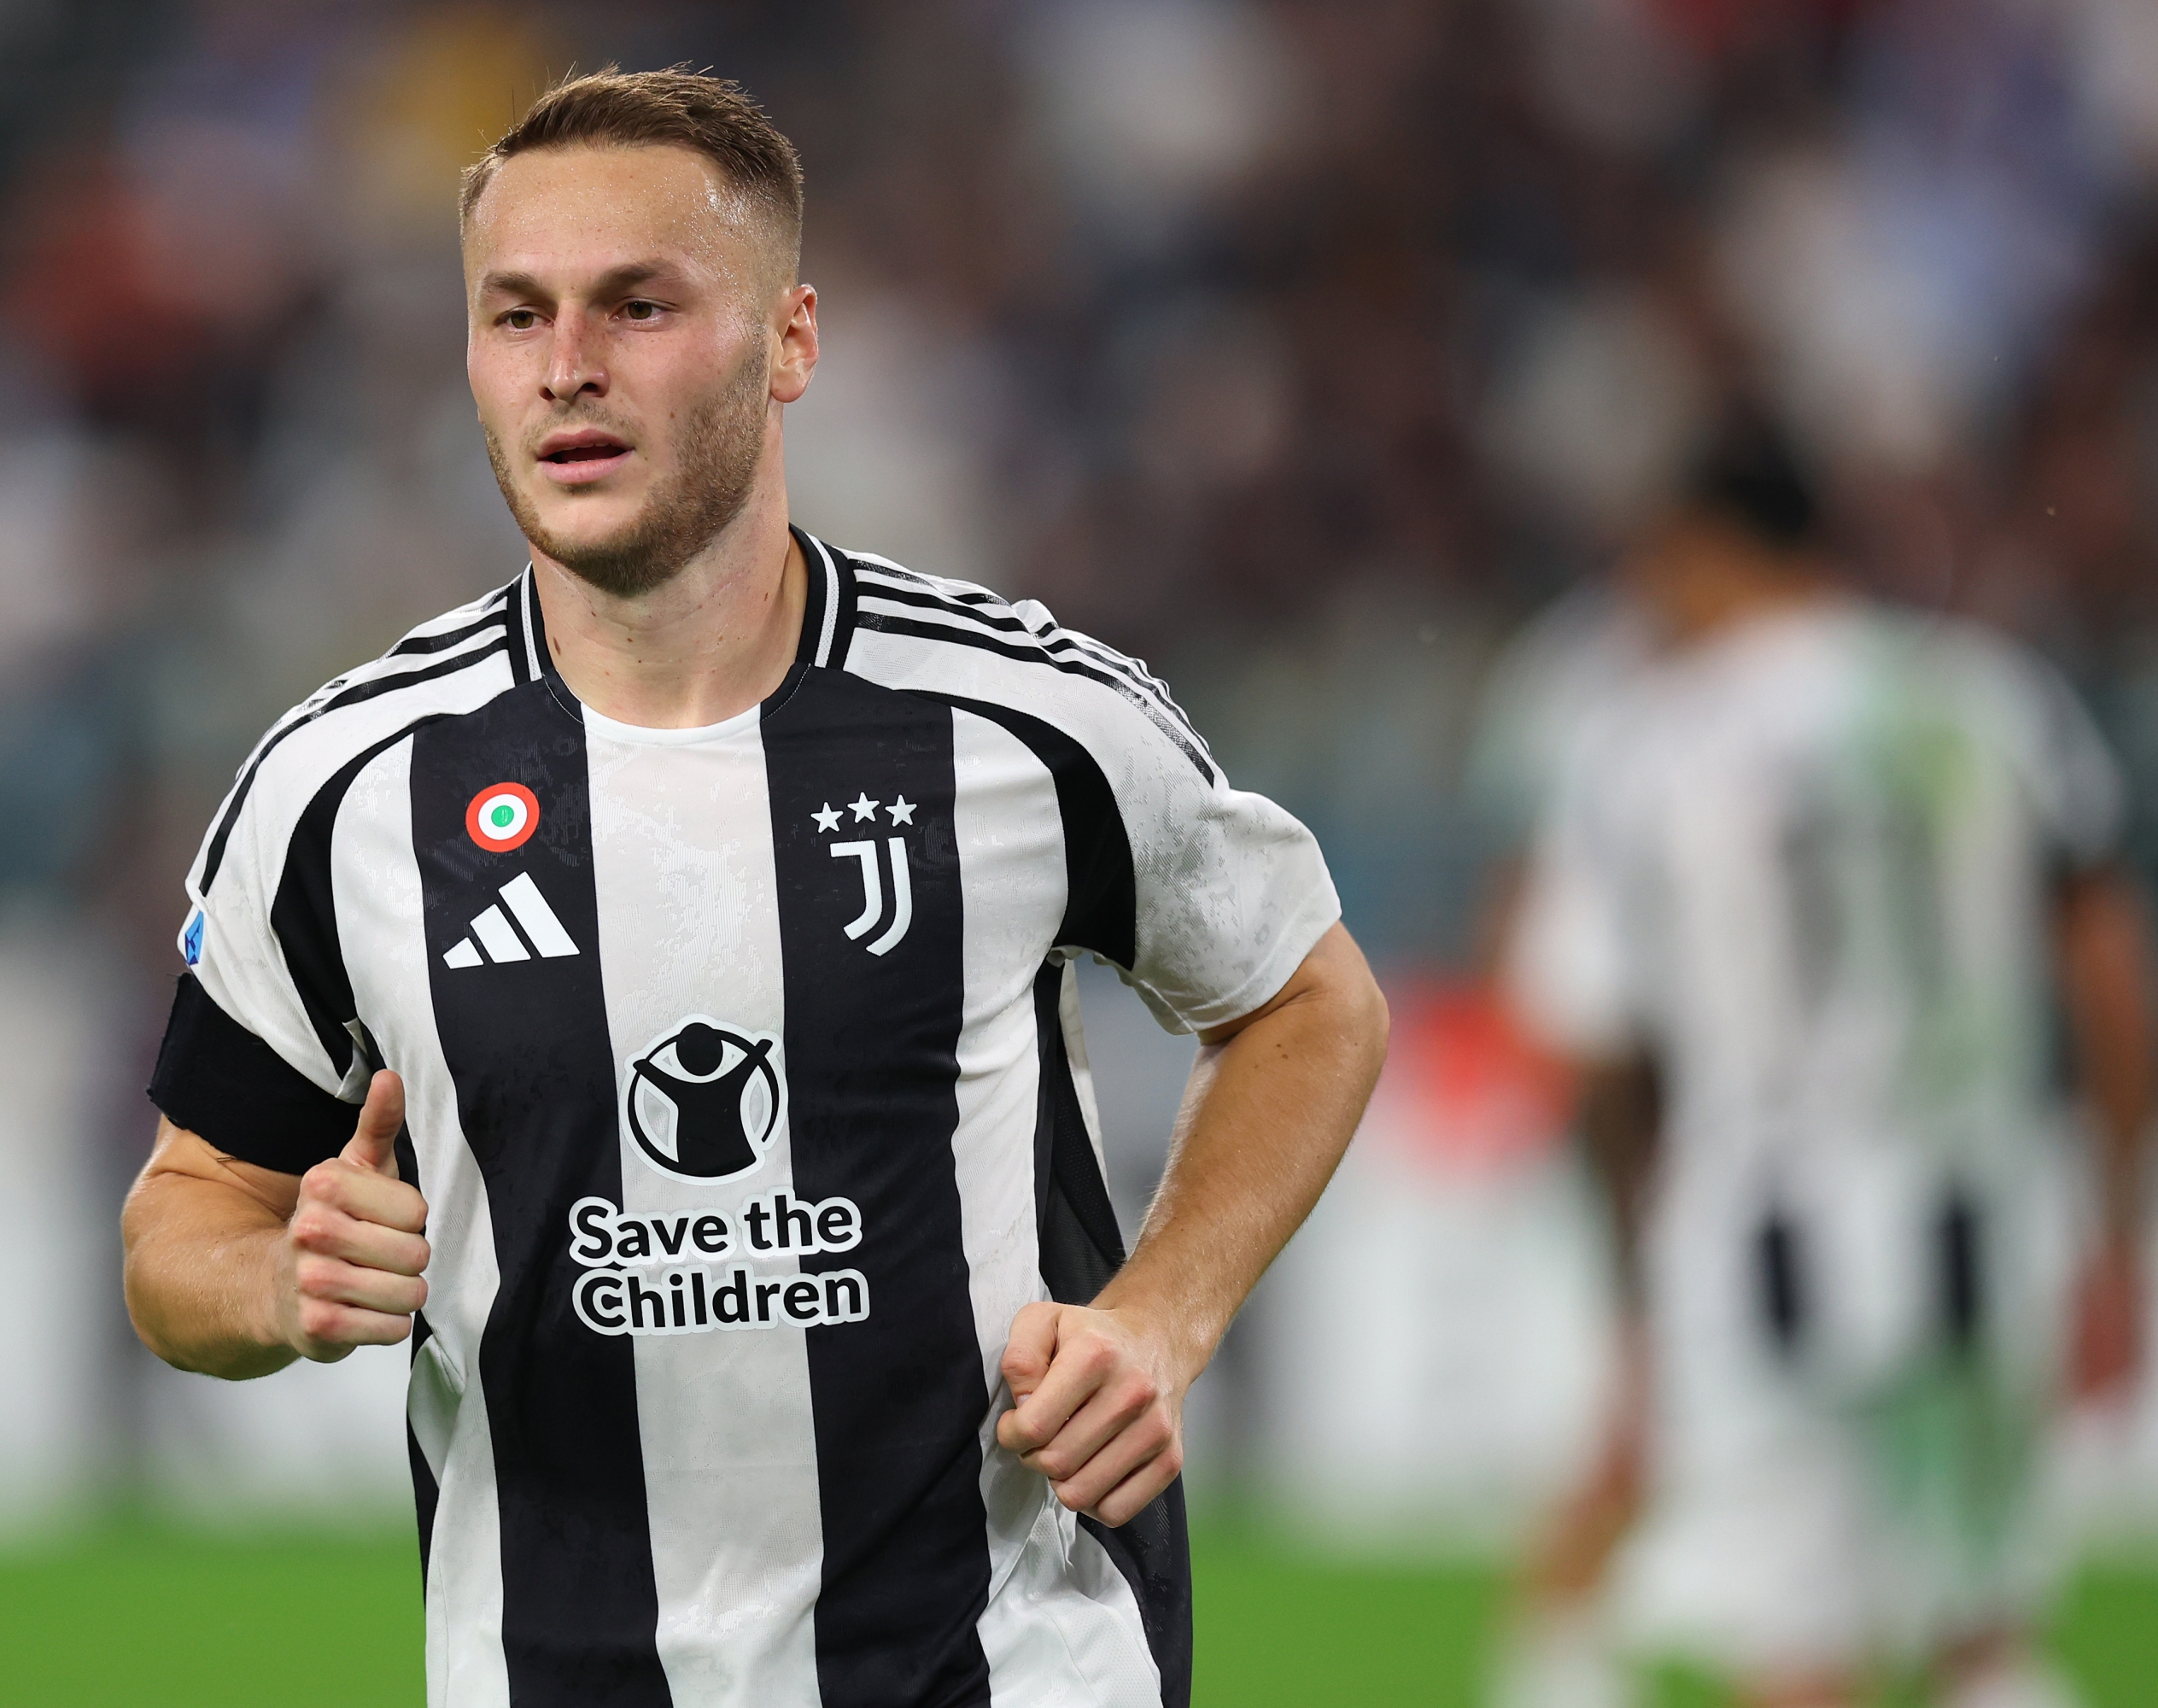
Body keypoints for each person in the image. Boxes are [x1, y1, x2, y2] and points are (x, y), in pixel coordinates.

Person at [120, 67, 1388, 1708]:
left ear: (791, 340)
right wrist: (277, 1279)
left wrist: (1162, 1315)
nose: (567, 367)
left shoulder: (1021, 723)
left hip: (1005, 1664)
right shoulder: (342, 788)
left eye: (638, 305)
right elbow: (183, 1213)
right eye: (516, 317)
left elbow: (1306, 994)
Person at [1503, 418, 2153, 1708]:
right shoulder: (1985, 699)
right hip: (1986, 1213)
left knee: (1800, 1647)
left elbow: (1597, 1054)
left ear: (1698, 550)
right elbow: (2110, 989)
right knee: (1985, 1634)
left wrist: (1633, 1302)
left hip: (1766, 1235)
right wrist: (2116, 1238)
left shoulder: (1644, 745)